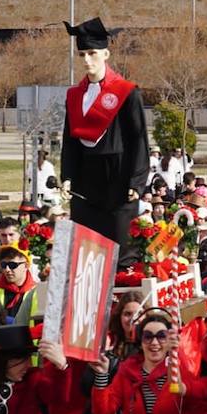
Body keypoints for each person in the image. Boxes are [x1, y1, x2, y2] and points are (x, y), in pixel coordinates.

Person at [60, 17, 150, 265]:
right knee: (87, 252)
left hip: (118, 181)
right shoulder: (74, 95)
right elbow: (70, 139)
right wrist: (67, 175)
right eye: (82, 54)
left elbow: (138, 139)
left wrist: (137, 181)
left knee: (122, 251)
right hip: (86, 182)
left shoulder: (127, 91)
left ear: (106, 53)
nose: (87, 60)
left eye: (92, 53)